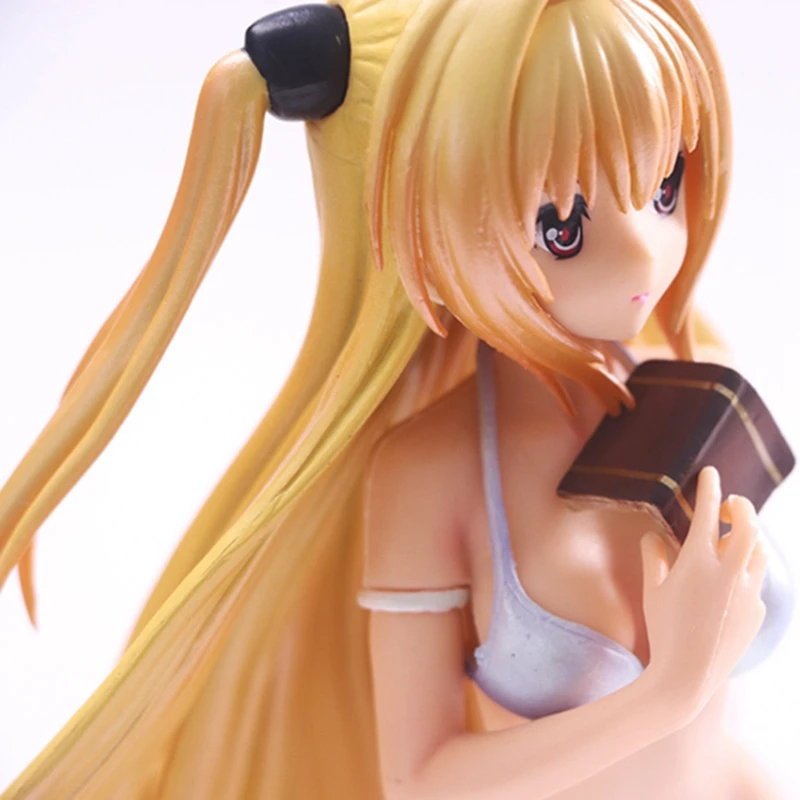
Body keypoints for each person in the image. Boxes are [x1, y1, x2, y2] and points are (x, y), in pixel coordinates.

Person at [0, 0, 792, 797]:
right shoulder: (430, 475)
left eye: (664, 184)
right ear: (435, 226)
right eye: (563, 226)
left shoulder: (694, 374)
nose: (645, 256)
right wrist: (666, 693)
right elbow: (420, 779)